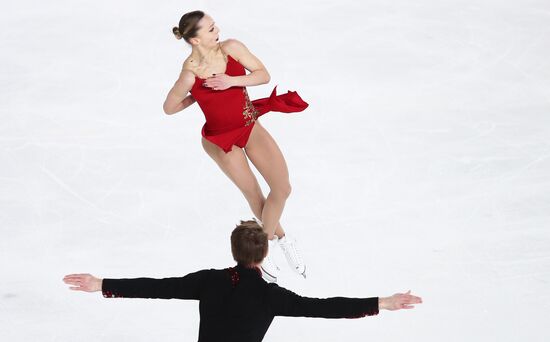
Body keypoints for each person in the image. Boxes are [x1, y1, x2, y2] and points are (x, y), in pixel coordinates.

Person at [63, 220, 423, 342]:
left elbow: (159, 286)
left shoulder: (208, 281)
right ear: (265, 255)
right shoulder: (271, 296)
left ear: (233, 250)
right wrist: (383, 303)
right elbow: (325, 309)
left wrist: (102, 283)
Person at [162, 10, 309, 282]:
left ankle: (269, 242)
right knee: (255, 195)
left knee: (282, 188)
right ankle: (273, 247)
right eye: (210, 29)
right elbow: (169, 107)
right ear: (194, 40)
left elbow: (263, 75)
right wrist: (195, 96)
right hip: (220, 140)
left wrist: (232, 80)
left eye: (215, 25)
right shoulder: (189, 73)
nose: (217, 30)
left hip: (248, 123)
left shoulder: (231, 48)